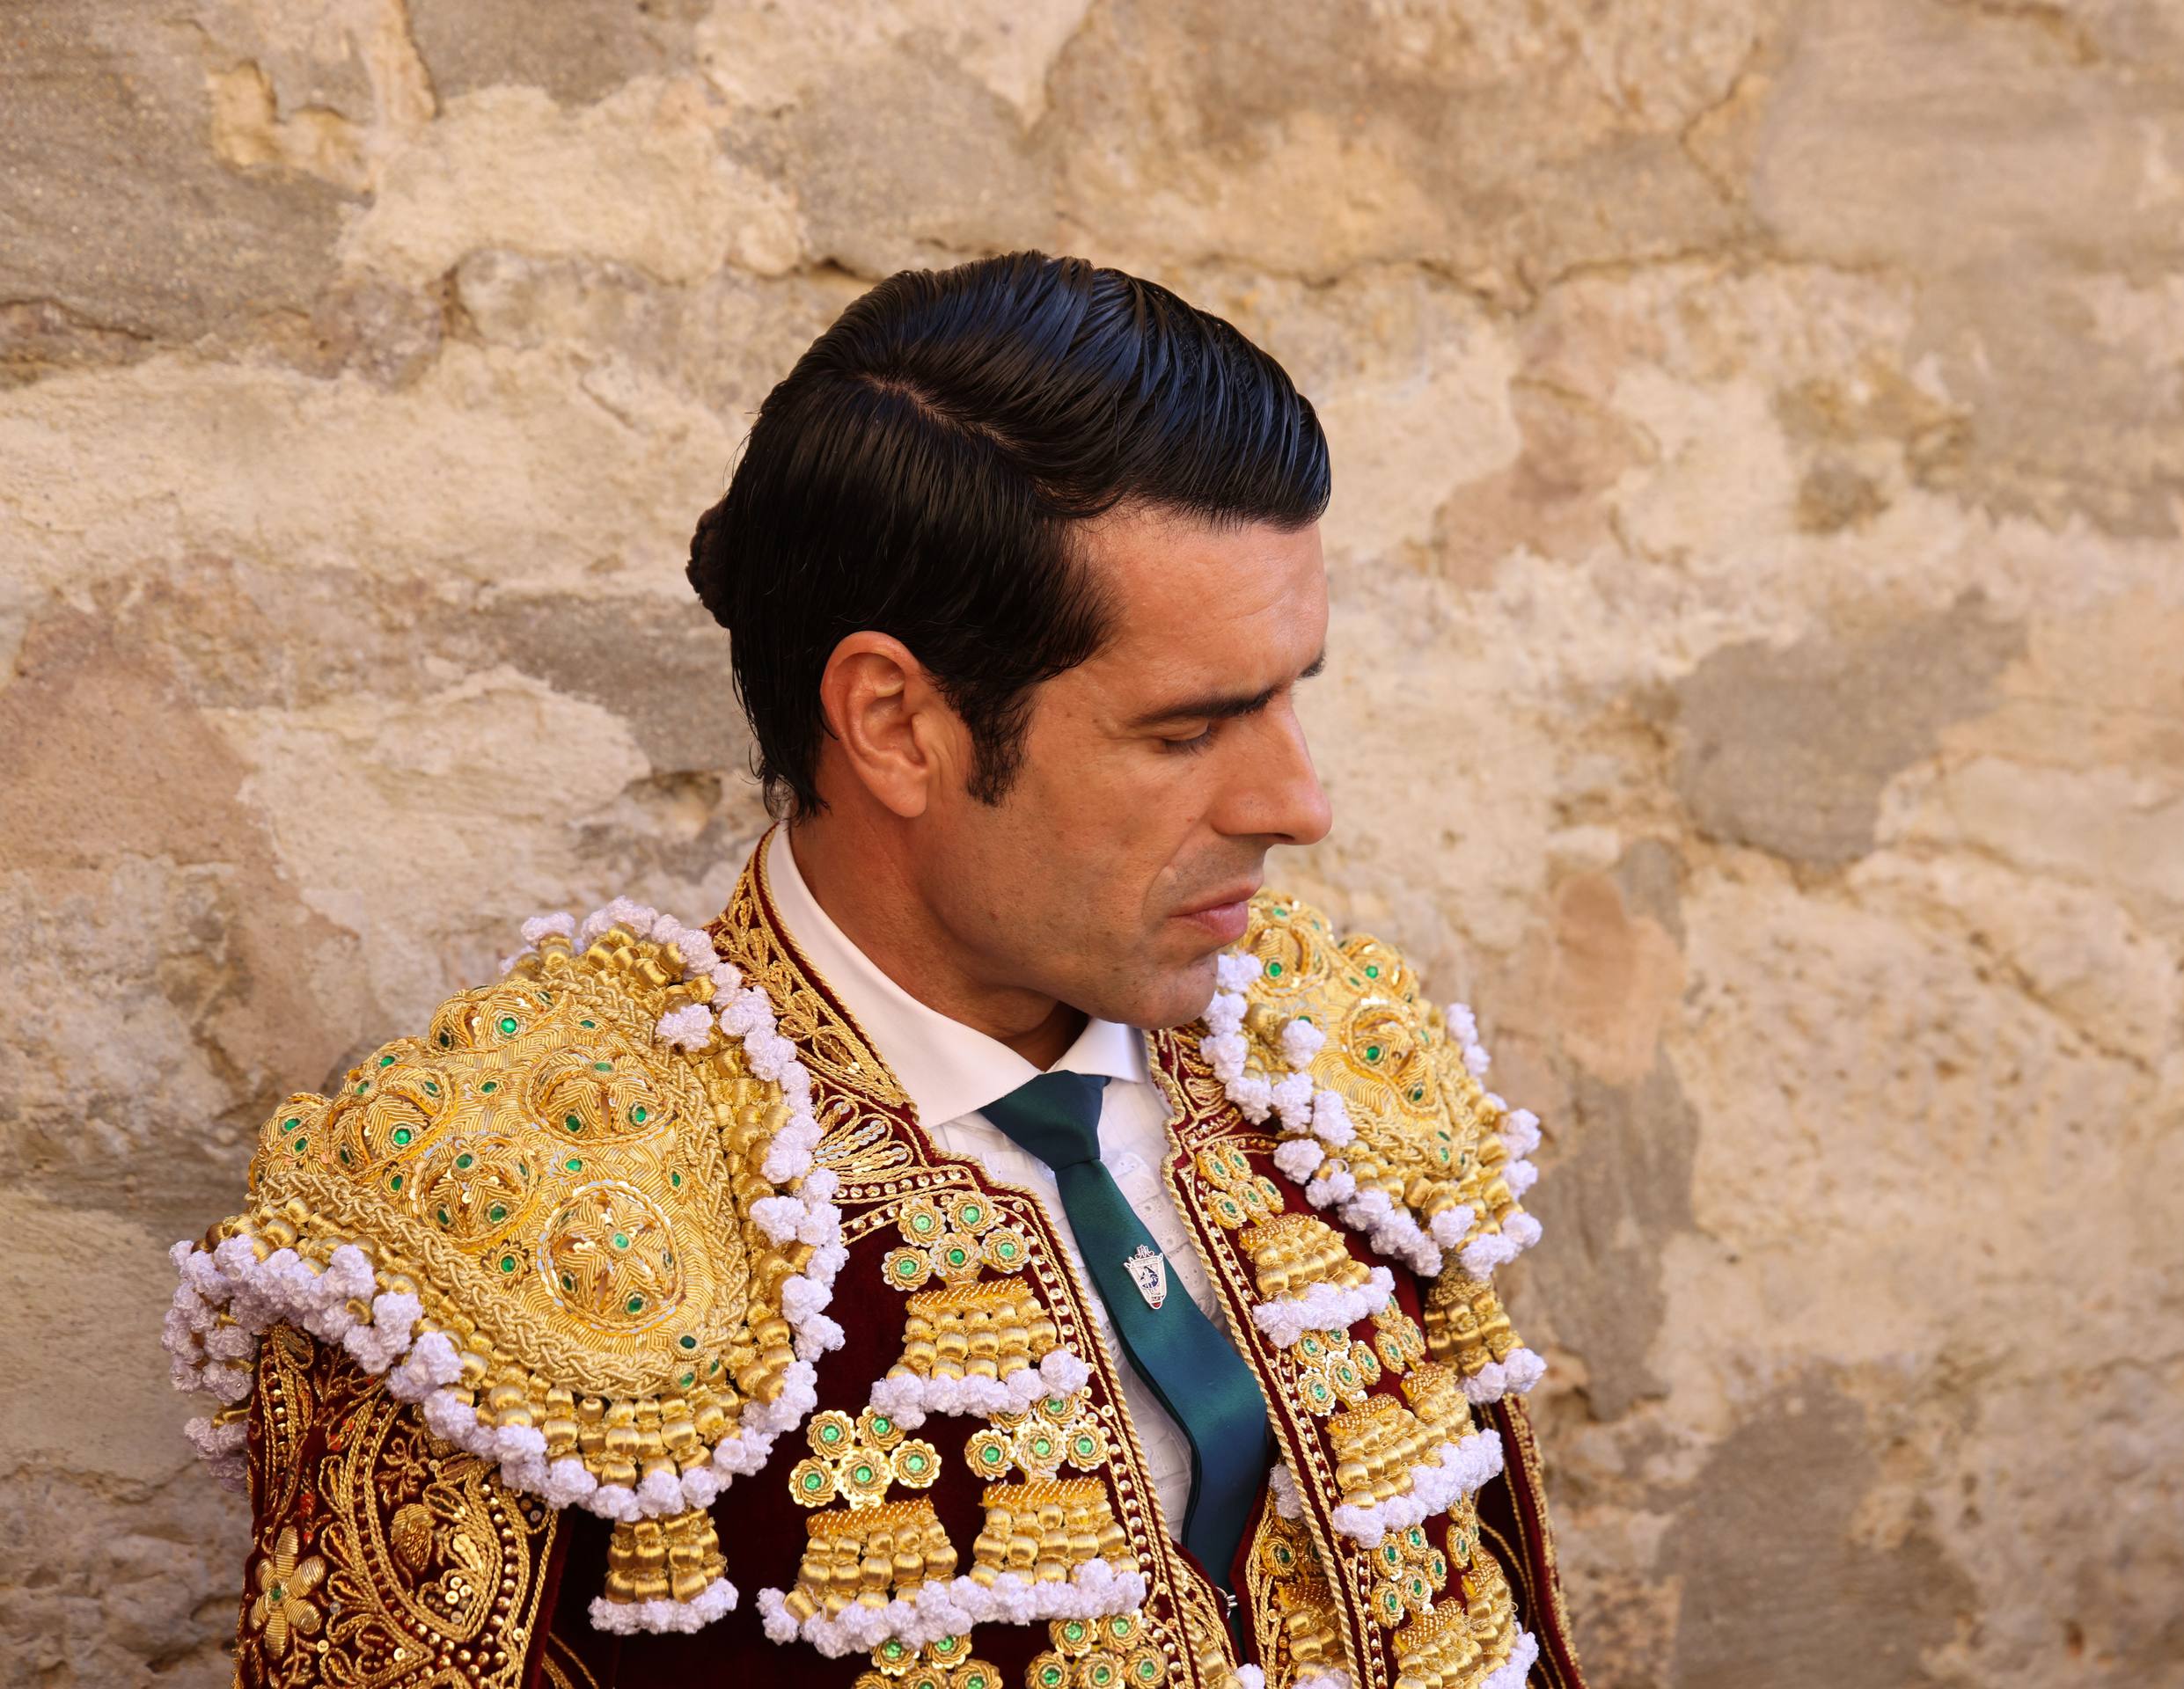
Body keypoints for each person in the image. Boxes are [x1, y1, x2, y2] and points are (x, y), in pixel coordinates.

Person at [165, 252, 1581, 1689]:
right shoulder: (488, 1251)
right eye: (1184, 731)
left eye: (1289, 696)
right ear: (897, 726)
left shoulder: (1336, 1086)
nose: (1296, 804)